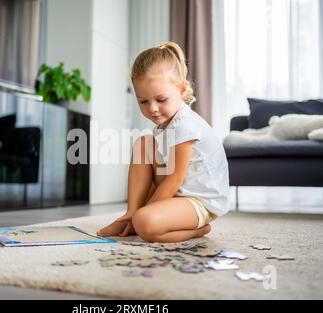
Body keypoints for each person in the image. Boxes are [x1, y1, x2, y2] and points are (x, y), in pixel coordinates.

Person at [97, 41, 230, 243]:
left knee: (144, 222)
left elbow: (174, 179)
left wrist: (145, 212)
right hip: (179, 193)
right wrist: (138, 209)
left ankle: (197, 229)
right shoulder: (164, 126)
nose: (152, 109)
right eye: (143, 101)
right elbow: (164, 174)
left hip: (200, 202)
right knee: (144, 144)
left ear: (182, 89)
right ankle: (130, 213)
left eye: (161, 99)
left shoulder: (185, 125)